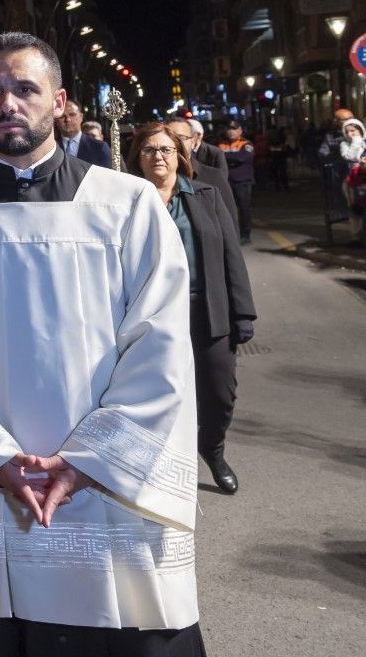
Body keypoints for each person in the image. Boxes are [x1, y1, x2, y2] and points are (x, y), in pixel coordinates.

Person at [0, 32, 202, 653]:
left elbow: (161, 345)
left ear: (59, 101)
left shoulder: (128, 204)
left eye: (25, 89)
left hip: (106, 490)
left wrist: (88, 460)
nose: (7, 102)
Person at [131, 122, 256, 496]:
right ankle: (161, 466)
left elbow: (230, 253)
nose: (158, 156)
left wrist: (243, 313)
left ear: (180, 155)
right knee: (158, 395)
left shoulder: (206, 194)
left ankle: (213, 450)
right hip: (151, 317)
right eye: (150, 150)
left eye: (166, 149)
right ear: (138, 157)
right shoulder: (129, 201)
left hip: (205, 309)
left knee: (220, 393)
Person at [164, 119, 239, 235]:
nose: (174, 143)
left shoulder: (214, 177)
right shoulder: (152, 180)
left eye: (181, 137)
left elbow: (230, 227)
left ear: (194, 141)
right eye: (169, 138)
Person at [218, 120, 255, 242]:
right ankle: (231, 235)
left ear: (240, 131)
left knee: (244, 208)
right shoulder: (221, 144)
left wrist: (226, 157)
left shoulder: (246, 144)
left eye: (234, 129)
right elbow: (217, 159)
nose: (231, 132)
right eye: (229, 129)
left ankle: (245, 235)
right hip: (226, 182)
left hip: (242, 181)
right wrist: (233, 158)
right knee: (227, 209)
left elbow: (242, 157)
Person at [57, 100, 113, 167]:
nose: (67, 119)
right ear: (55, 120)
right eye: (62, 116)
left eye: (72, 114)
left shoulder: (100, 147)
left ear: (81, 117)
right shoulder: (49, 149)